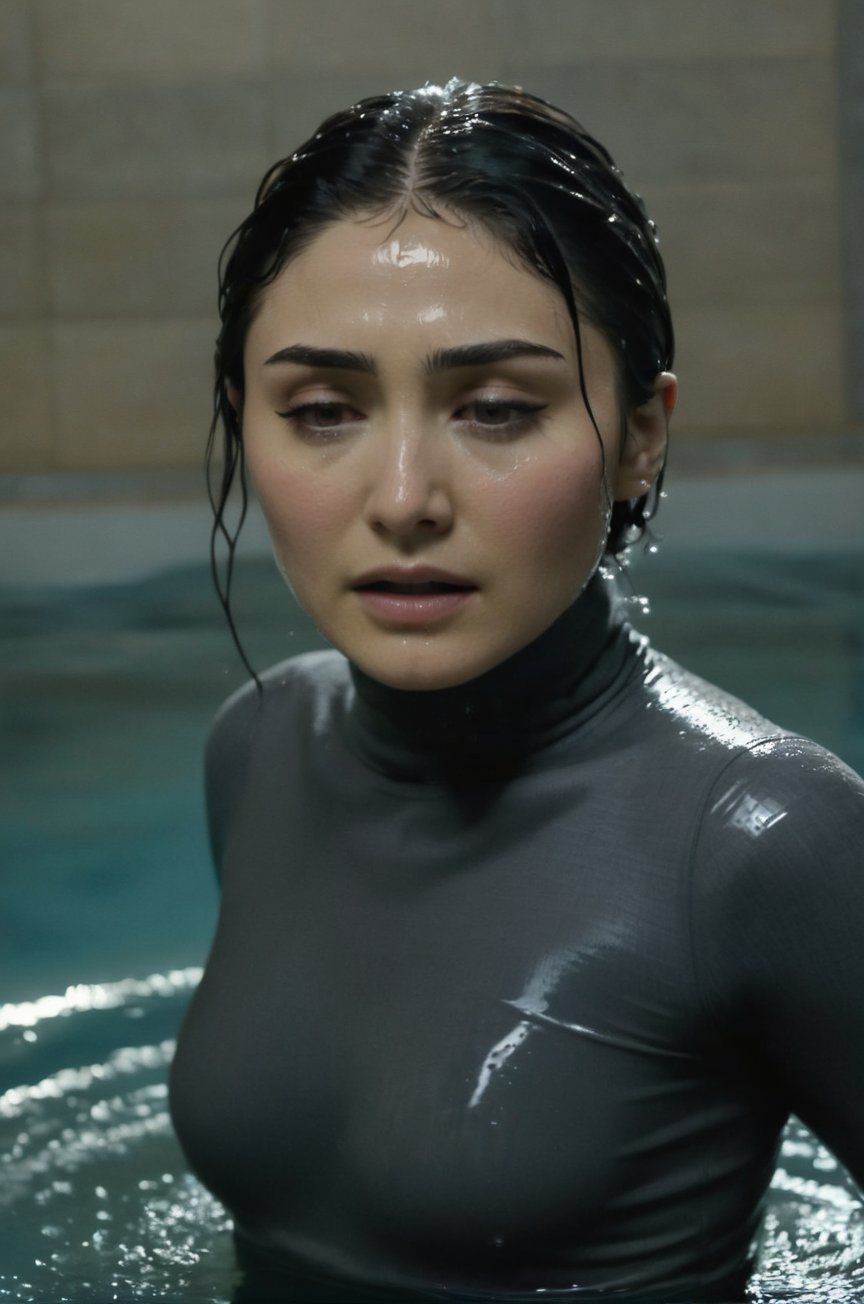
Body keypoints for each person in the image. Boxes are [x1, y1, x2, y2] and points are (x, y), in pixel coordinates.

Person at [169, 81, 864, 1303]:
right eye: (321, 410)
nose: (401, 496)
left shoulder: (763, 843)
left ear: (644, 434)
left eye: (497, 409)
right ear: (248, 423)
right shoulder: (259, 743)